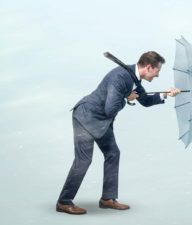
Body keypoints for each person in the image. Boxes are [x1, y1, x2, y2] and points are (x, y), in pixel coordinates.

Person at [56, 51, 180, 215]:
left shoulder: (134, 79)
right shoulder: (121, 77)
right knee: (84, 160)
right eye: (157, 70)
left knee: (113, 153)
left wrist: (166, 94)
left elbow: (145, 100)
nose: (158, 75)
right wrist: (126, 100)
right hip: (86, 117)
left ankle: (107, 199)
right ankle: (64, 202)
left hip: (102, 121)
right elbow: (110, 109)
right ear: (149, 67)